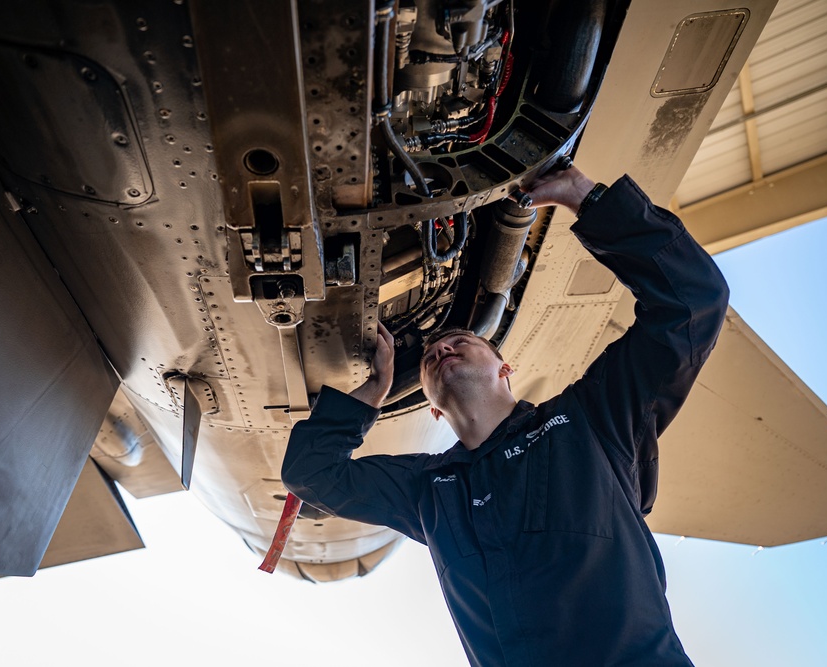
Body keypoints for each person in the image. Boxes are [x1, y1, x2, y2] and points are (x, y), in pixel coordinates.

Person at [282, 166, 729, 666]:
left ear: (505, 367)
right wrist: (374, 389)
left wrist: (588, 200)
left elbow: (692, 303)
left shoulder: (592, 419)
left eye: (465, 341)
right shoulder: (429, 488)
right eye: (433, 353)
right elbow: (311, 474)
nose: (443, 346)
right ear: (430, 403)